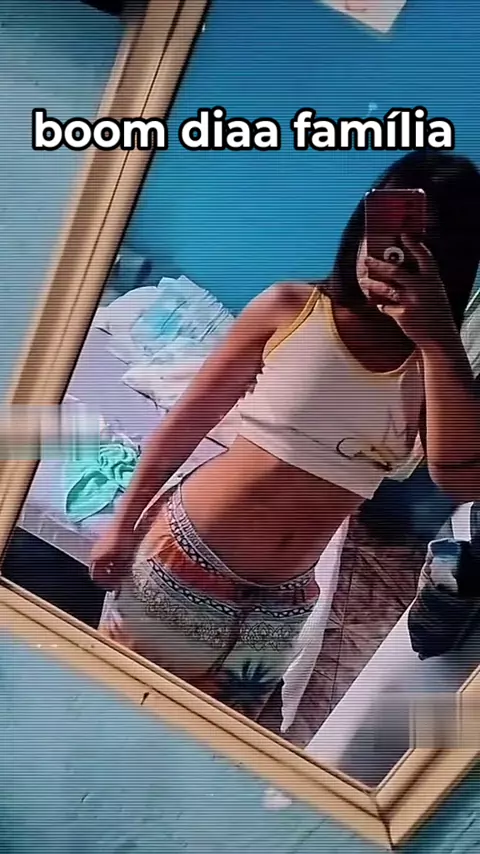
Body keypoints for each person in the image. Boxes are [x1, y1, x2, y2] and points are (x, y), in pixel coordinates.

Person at [90, 152, 480, 720]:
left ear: (447, 265)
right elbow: (187, 420)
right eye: (381, 235)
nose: (386, 259)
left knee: (207, 741)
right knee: (112, 709)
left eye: (416, 251)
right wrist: (122, 524)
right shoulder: (291, 308)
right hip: (186, 558)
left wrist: (438, 337)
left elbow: (459, 479)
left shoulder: (438, 367)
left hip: (283, 601)